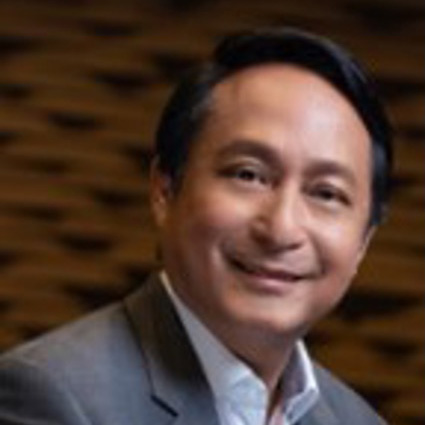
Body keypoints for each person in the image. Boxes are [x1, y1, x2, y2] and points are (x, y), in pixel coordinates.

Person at [0, 27, 392, 425]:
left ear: (363, 241)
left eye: (326, 193)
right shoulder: (51, 396)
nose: (281, 229)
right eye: (248, 175)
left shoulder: (359, 421)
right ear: (164, 191)